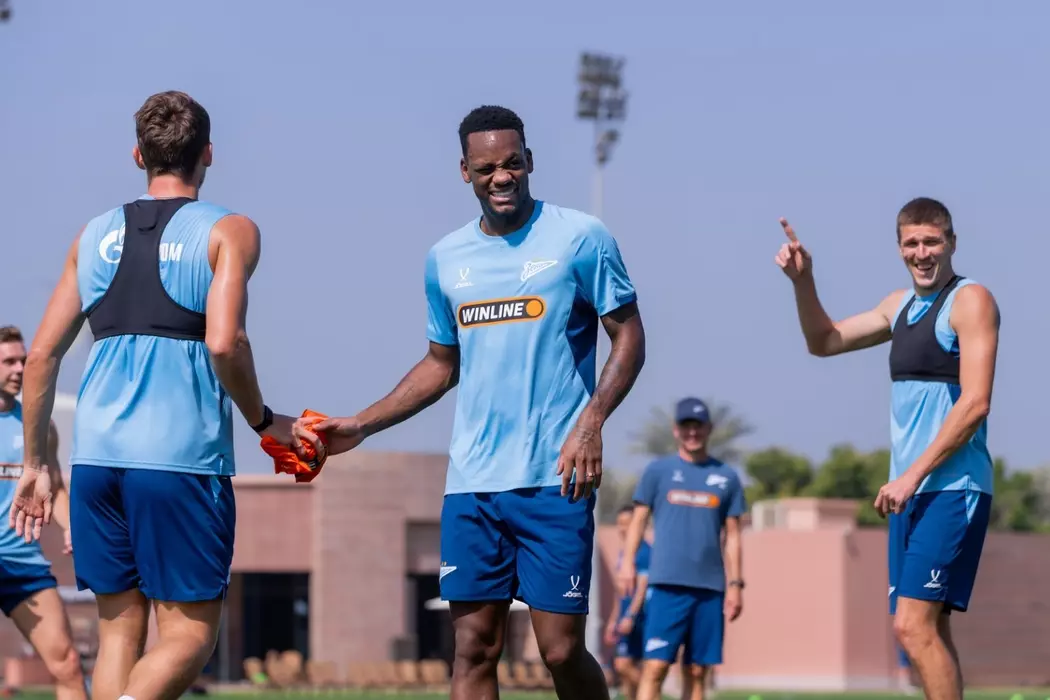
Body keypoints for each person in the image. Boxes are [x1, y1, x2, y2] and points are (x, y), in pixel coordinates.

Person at [296, 105, 646, 700]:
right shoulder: (446, 258)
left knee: (560, 651)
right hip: (472, 486)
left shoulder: (580, 237)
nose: (501, 177)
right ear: (465, 172)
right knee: (474, 648)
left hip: (554, 479)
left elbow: (629, 337)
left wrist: (591, 424)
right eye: (486, 169)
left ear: (530, 161)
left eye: (512, 163)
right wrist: (361, 424)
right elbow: (441, 363)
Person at [10, 90, 303, 700]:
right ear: (208, 154)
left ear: (138, 154)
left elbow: (40, 358)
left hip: (95, 464)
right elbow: (224, 343)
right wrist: (263, 421)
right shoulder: (230, 230)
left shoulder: (92, 235)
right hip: (178, 462)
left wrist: (36, 464)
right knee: (189, 637)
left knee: (119, 634)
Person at [775, 197, 998, 700]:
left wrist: (911, 476)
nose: (922, 252)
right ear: (899, 248)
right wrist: (803, 282)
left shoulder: (971, 301)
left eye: (932, 241)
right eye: (911, 243)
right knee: (928, 629)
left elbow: (975, 403)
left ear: (952, 243)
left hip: (951, 488)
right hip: (911, 494)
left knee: (911, 627)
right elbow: (825, 341)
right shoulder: (898, 306)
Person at [619, 398, 746, 700]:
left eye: (698, 426)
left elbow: (733, 536)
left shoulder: (726, 477)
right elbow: (639, 520)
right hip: (666, 586)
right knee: (655, 668)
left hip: (709, 589)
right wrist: (628, 563)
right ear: (676, 430)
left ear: (709, 429)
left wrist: (736, 584)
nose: (693, 432)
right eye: (686, 426)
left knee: (698, 671)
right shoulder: (657, 471)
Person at [0, 326, 87, 700]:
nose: (20, 368)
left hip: (24, 562)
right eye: (9, 361)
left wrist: (72, 528)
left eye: (22, 360)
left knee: (67, 663)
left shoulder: (39, 425)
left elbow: (55, 487)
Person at [604, 504, 651, 700]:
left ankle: (652, 694)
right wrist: (613, 620)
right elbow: (621, 592)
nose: (622, 528)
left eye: (627, 524)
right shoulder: (625, 553)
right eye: (619, 524)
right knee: (625, 672)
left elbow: (642, 588)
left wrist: (630, 615)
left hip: (641, 618)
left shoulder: (645, 552)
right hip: (625, 618)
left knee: (623, 665)